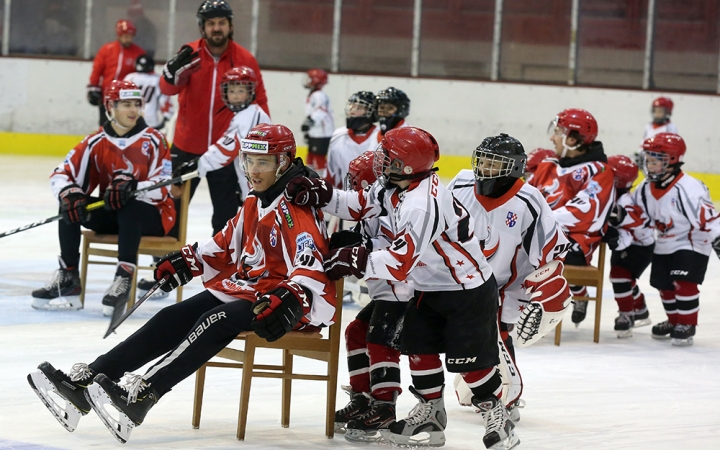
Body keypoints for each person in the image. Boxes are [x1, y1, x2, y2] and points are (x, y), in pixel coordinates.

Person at [27, 124, 337, 444]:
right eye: (248, 161)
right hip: (254, 289)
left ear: (285, 162)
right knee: (172, 316)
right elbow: (224, 245)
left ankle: (143, 394)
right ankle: (87, 381)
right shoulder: (256, 200)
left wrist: (294, 294)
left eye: (263, 163)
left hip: (289, 303)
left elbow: (310, 264)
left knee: (214, 320)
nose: (252, 171)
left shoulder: (297, 205)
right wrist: (189, 259)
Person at [285, 127, 519, 450]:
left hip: (466, 290)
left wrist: (356, 259)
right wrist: (323, 195)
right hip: (428, 288)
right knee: (419, 350)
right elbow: (358, 205)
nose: (380, 160)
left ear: (405, 167)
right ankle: (431, 414)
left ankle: (497, 414)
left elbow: (399, 262)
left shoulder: (420, 203)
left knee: (473, 365)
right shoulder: (397, 186)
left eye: (387, 157)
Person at [448, 134, 571, 422]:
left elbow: (551, 251)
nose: (484, 168)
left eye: (494, 163)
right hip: (461, 278)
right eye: (483, 160)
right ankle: (479, 383)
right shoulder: (461, 183)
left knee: (497, 333)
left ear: (514, 168)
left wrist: (546, 291)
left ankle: (507, 396)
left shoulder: (529, 199)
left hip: (507, 285)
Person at [30, 80, 175, 316]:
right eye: (125, 104)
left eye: (136, 104)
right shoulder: (95, 142)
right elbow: (60, 174)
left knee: (130, 203)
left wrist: (134, 186)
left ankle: (123, 277)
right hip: (117, 215)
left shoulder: (155, 140)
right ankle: (68, 277)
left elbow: (165, 187)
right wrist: (70, 193)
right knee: (70, 203)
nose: (132, 110)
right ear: (110, 107)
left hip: (155, 216)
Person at [137, 65, 271, 299]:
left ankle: (251, 284)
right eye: (232, 90)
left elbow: (227, 148)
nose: (237, 95)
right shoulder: (245, 116)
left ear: (251, 92)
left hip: (262, 192)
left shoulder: (253, 115)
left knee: (250, 236)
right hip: (253, 190)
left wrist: (197, 165)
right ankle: (242, 280)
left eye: (242, 90)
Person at [159, 0, 269, 235]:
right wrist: (170, 74)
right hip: (186, 146)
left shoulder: (245, 59)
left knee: (227, 217)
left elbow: (260, 104)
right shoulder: (189, 54)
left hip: (225, 152)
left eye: (221, 23)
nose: (216, 28)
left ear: (230, 26)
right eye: (211, 23)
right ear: (202, 27)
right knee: (171, 212)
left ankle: (223, 268)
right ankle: (166, 267)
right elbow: (167, 90)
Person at [330, 151, 413, 443]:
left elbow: (397, 248)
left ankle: (384, 406)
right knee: (356, 332)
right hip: (387, 289)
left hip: (404, 289)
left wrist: (361, 248)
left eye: (356, 181)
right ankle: (363, 398)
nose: (352, 186)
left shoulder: (394, 206)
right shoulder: (373, 207)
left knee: (380, 340)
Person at [617, 133, 720, 346]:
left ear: (672, 161)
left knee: (683, 282)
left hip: (692, 241)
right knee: (662, 284)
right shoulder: (645, 188)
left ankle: (687, 324)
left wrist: (717, 238)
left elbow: (706, 217)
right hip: (664, 241)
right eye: (649, 160)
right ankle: (674, 321)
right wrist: (620, 216)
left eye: (656, 161)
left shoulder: (689, 188)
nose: (650, 165)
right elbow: (638, 213)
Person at [528, 108, 615, 327]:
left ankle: (545, 306)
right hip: (538, 235)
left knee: (533, 256)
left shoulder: (599, 171)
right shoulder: (547, 164)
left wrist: (537, 222)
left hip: (573, 242)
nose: (552, 137)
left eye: (558, 131)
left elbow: (585, 213)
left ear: (574, 138)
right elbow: (524, 199)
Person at [604, 155, 655, 338]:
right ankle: (640, 309)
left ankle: (627, 315)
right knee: (625, 279)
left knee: (619, 276)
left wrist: (615, 237)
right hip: (630, 242)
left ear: (616, 179)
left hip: (639, 246)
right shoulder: (613, 195)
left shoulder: (625, 201)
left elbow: (634, 229)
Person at [87, 19, 145, 126]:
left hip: (127, 98)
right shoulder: (107, 50)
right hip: (107, 96)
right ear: (119, 35)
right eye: (126, 36)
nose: (129, 39)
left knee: (125, 126)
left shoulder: (139, 53)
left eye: (131, 36)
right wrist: (93, 87)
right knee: (105, 125)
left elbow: (143, 75)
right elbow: (97, 70)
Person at [325, 91, 379, 190]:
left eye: (358, 108)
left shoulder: (381, 137)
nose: (352, 111)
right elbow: (331, 174)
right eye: (351, 107)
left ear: (372, 112)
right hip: (346, 199)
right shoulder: (338, 136)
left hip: (376, 200)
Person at [124, 54, 174, 131]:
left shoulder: (130, 77)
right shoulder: (157, 79)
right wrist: (167, 116)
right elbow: (164, 100)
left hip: (131, 118)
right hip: (151, 120)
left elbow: (121, 99)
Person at [301, 68, 334, 175]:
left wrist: (309, 121)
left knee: (318, 157)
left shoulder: (318, 95)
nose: (307, 80)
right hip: (316, 131)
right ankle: (310, 178)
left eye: (310, 78)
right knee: (310, 156)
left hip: (321, 133)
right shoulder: (314, 94)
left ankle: (323, 182)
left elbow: (321, 110)